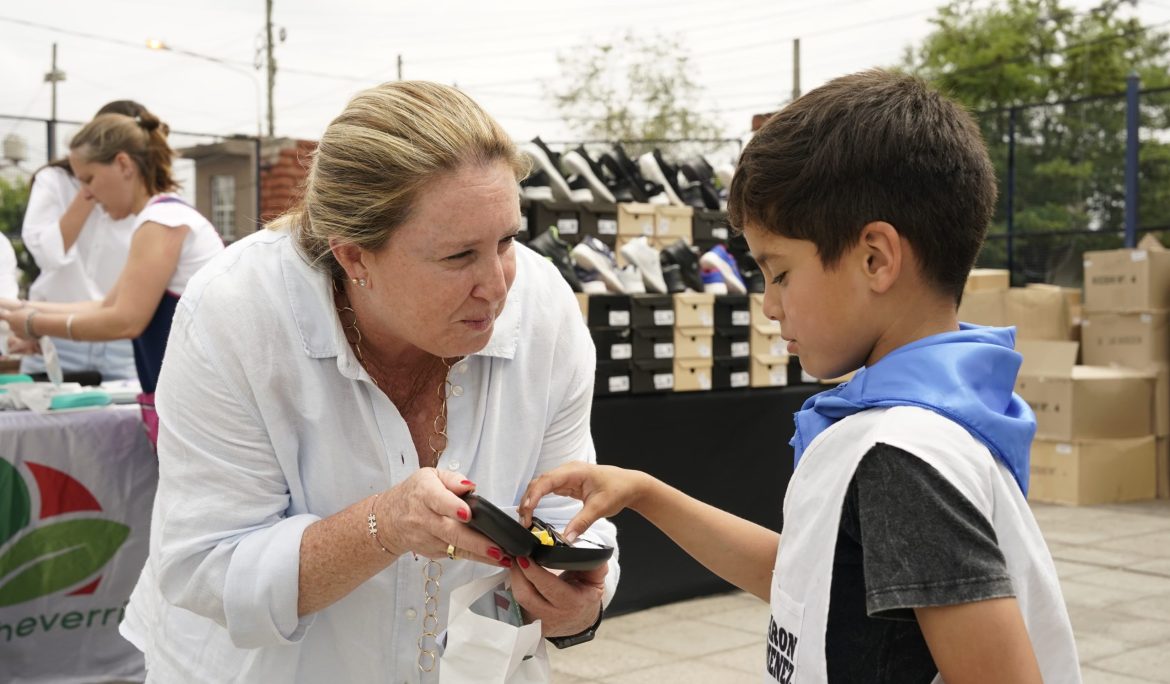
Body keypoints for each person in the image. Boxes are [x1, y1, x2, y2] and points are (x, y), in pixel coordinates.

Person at [520, 70, 1080, 684]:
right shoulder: (925, 423)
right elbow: (806, 580)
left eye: (779, 272)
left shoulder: (903, 458)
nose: (767, 304)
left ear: (875, 259)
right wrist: (646, 494)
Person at [115, 81, 619, 681]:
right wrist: (384, 524)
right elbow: (204, 566)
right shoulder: (236, 311)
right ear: (355, 258)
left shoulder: (545, 309)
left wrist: (577, 601)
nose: (498, 284)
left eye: (507, 240)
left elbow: (567, 513)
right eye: (458, 256)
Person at [0, 109, 224, 441]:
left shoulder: (163, 222)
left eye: (88, 179)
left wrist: (34, 323)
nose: (86, 194)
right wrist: (19, 309)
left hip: (198, 409)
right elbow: (107, 304)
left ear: (123, 164)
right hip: (184, 403)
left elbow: (124, 320)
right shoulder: (161, 216)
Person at [16, 100, 150, 381]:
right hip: (55, 336)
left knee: (123, 423)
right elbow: (48, 256)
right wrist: (91, 183)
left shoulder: (151, 206)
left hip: (119, 343)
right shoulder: (54, 180)